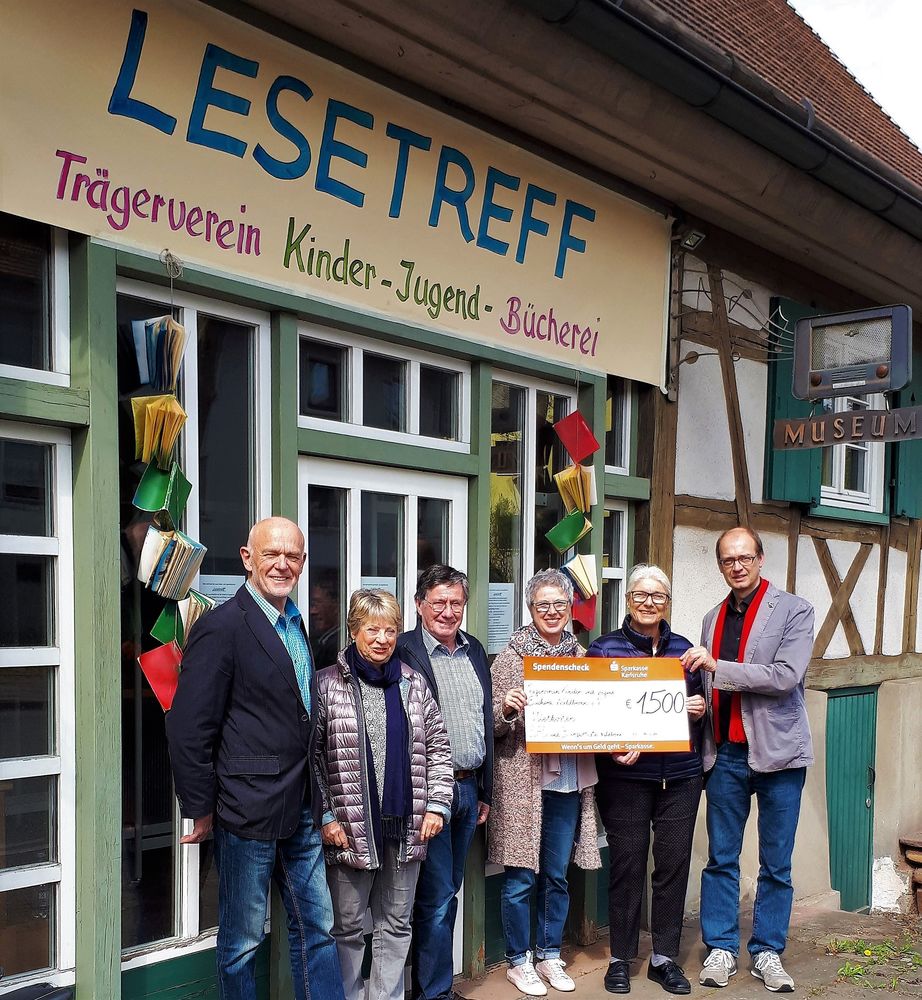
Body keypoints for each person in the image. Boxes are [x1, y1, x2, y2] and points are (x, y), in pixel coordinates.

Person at [165, 517, 343, 1000]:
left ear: (303, 563)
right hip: (246, 809)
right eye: (271, 554)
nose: (282, 564)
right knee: (242, 942)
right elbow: (188, 727)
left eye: (292, 556)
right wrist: (200, 806)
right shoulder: (221, 627)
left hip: (302, 805)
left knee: (318, 929)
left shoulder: (296, 623)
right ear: (247, 558)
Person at [681, 526, 815, 994]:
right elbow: (707, 683)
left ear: (760, 558)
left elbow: (785, 676)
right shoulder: (712, 617)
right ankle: (721, 946)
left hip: (779, 755)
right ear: (720, 565)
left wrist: (718, 668)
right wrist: (697, 703)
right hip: (726, 755)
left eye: (744, 557)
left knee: (776, 863)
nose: (736, 566)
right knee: (721, 858)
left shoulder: (795, 610)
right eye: (727, 560)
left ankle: (767, 951)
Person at [313, 588, 454, 1000]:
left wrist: (437, 806)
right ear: (354, 630)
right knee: (347, 927)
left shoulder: (413, 683)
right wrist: (326, 816)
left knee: (396, 924)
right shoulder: (327, 685)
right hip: (351, 829)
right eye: (372, 629)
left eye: (390, 630)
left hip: (406, 828)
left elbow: (439, 749)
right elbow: (313, 759)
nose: (382, 639)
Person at [587, 565, 707, 996]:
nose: (649, 602)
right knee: (628, 865)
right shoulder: (603, 649)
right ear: (627, 600)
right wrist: (611, 747)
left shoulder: (685, 650)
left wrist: (698, 708)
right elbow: (590, 713)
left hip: (680, 776)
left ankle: (664, 958)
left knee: (672, 866)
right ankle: (620, 957)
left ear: (667, 603)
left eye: (658, 596)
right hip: (626, 778)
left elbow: (701, 705)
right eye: (640, 594)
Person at [489, 569, 601, 997]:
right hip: (524, 785)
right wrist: (507, 710)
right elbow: (492, 726)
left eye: (559, 604)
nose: (551, 611)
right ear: (530, 609)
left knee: (556, 875)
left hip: (567, 782)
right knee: (521, 877)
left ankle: (549, 953)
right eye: (543, 605)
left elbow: (601, 717)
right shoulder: (510, 658)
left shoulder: (583, 657)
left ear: (570, 608)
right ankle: (519, 961)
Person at [397, 565, 494, 1000]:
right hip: (426, 792)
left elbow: (484, 721)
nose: (448, 611)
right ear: (420, 604)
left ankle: (433, 986)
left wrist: (486, 791)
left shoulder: (474, 650)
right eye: (438, 602)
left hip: (468, 788)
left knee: (448, 891)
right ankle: (433, 993)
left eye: (456, 603)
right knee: (435, 898)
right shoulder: (403, 650)